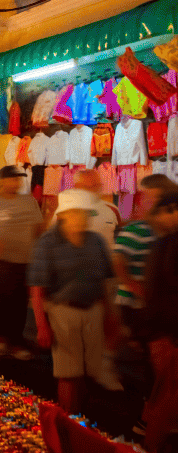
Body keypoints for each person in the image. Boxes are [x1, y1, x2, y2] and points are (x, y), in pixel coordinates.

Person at [28, 188, 121, 414]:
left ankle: (81, 419)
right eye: (76, 213)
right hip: (63, 313)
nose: (81, 219)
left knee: (88, 372)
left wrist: (110, 316)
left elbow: (104, 282)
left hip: (93, 311)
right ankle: (69, 421)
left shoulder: (96, 241)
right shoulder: (48, 242)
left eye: (85, 214)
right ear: (62, 216)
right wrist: (42, 325)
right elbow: (37, 288)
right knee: (69, 373)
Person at [115, 183, 177, 440]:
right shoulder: (160, 242)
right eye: (167, 209)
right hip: (162, 327)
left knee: (162, 389)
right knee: (165, 392)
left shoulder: (165, 241)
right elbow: (120, 264)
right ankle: (149, 434)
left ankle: (147, 427)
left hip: (159, 326)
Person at [0, 165, 45, 359]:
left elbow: (39, 228)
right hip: (2, 260)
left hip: (26, 260)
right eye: (12, 179)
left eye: (18, 179)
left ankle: (16, 341)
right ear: (2, 181)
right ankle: (1, 338)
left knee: (20, 302)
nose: (16, 182)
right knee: (3, 299)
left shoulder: (29, 201)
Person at [142, 191, 178, 451]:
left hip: (162, 332)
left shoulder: (163, 243)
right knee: (167, 402)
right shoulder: (169, 244)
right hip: (170, 334)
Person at [73, 168, 122, 251]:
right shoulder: (66, 210)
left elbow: (119, 237)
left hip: (106, 261)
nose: (92, 190)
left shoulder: (112, 209)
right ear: (77, 187)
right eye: (87, 187)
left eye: (96, 186)